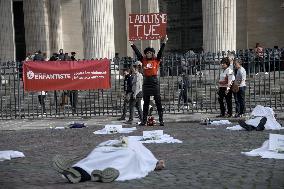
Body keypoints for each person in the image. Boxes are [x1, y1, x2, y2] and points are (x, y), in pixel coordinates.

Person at [52, 138, 165, 183]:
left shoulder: (135, 144)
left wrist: (155, 162)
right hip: (121, 150)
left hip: (112, 149)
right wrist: (155, 163)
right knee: (121, 162)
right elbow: (147, 159)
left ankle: (78, 172)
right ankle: (92, 174)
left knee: (93, 160)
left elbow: (148, 158)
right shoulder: (137, 145)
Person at [129, 36, 168, 126]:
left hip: (154, 82)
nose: (148, 54)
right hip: (146, 82)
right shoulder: (144, 60)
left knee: (158, 102)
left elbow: (161, 52)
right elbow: (138, 53)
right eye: (147, 53)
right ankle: (143, 121)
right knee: (146, 103)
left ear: (152, 53)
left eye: (150, 53)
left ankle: (161, 120)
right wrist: (132, 45)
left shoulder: (156, 60)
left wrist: (164, 42)